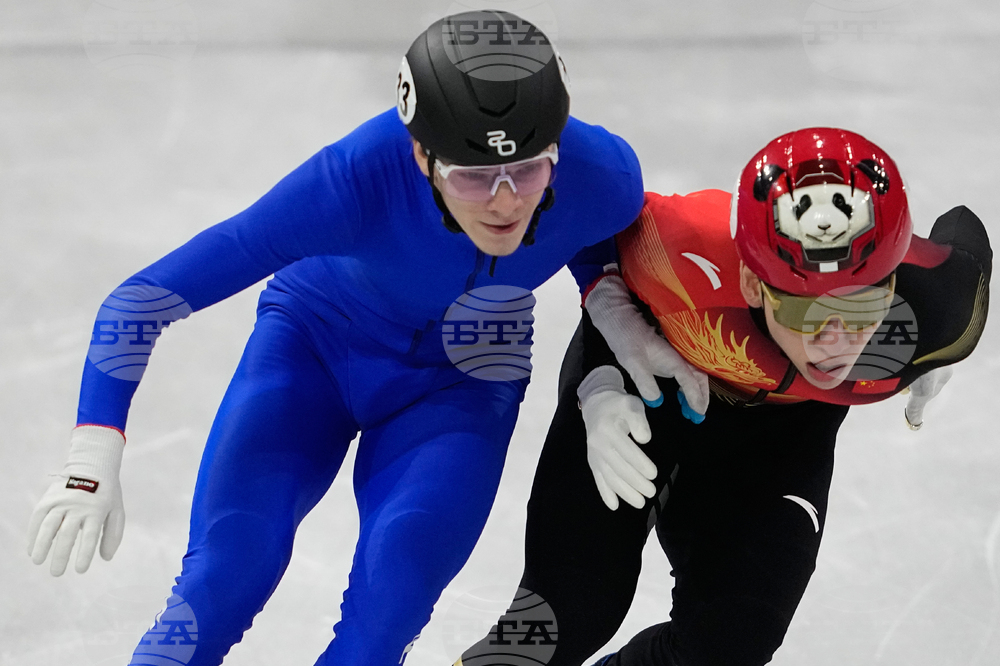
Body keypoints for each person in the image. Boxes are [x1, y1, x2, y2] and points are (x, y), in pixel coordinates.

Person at [24, 11, 706, 666]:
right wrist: (92, 451)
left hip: (465, 378)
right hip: (316, 352)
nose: (504, 201)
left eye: (527, 171)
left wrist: (611, 308)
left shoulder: (605, 175)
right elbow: (141, 300)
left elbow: (588, 236)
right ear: (421, 155)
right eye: (472, 178)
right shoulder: (350, 183)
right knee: (222, 581)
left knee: (386, 616)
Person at [456, 128, 991, 666]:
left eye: (861, 311)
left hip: (781, 439)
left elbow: (966, 234)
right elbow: (588, 202)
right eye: (806, 313)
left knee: (727, 645)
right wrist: (601, 368)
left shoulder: (934, 319)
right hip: (647, 390)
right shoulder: (682, 245)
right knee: (561, 617)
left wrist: (944, 351)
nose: (836, 342)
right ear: (755, 285)